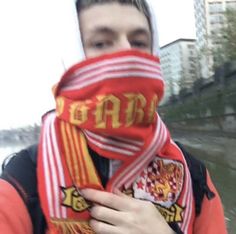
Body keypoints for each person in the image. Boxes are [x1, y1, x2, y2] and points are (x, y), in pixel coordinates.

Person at [0, 0, 227, 234]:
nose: (126, 53)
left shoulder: (193, 175)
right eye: (100, 43)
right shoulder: (25, 180)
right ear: (73, 56)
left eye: (138, 42)